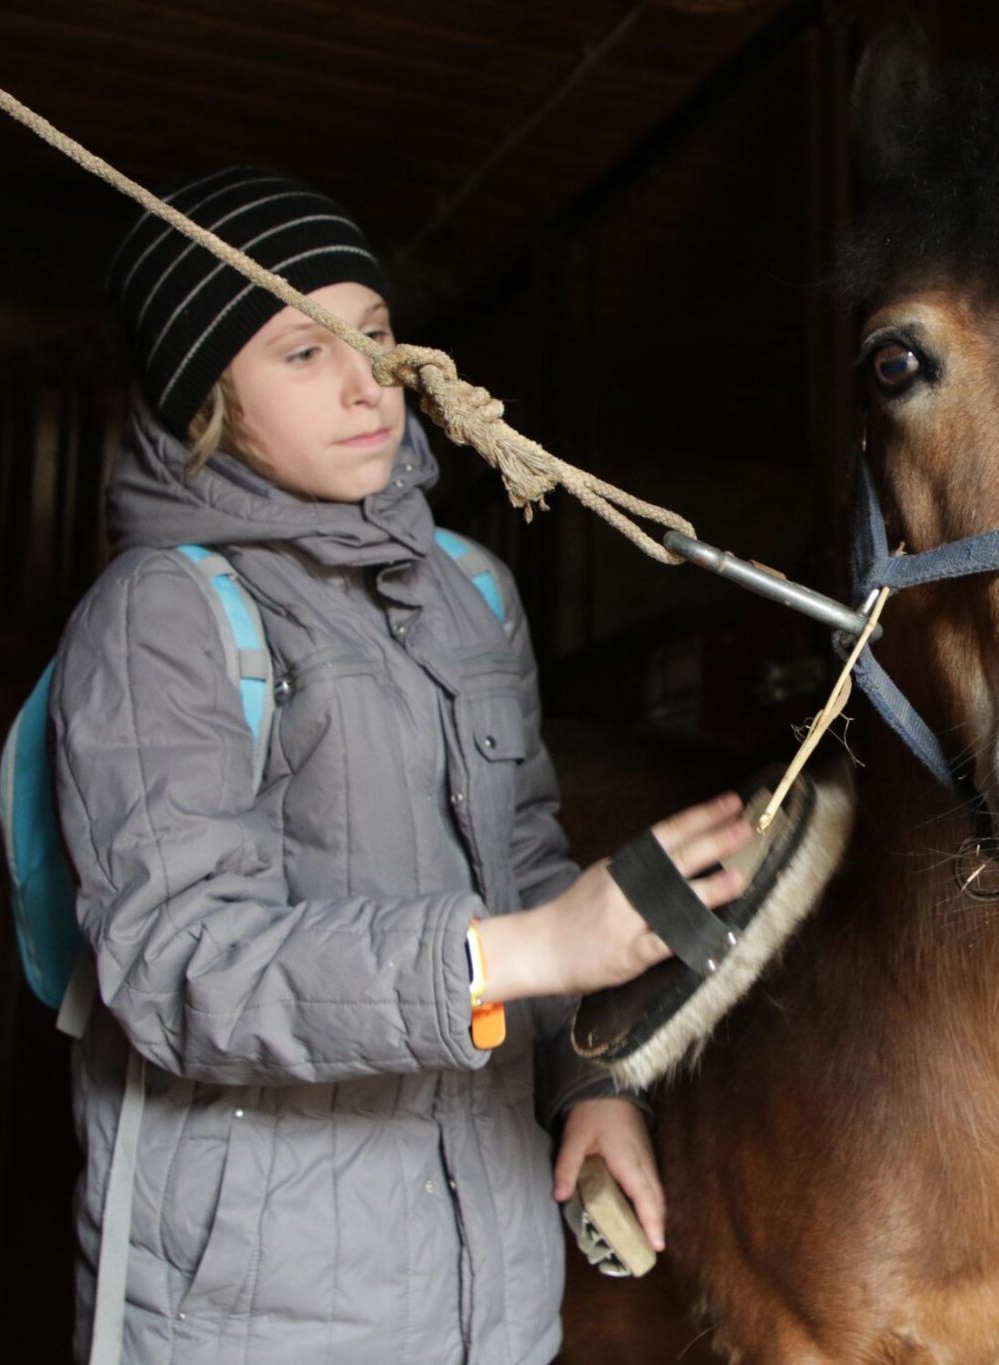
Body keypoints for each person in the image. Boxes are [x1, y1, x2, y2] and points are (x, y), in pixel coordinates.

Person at [52, 166, 749, 1363]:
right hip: (254, 1312)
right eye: (300, 352)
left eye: (371, 335)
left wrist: (589, 1087)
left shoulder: (472, 591)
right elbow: (180, 966)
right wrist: (521, 950)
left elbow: (528, 859)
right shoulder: (159, 618)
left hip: (493, 1286)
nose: (368, 384)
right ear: (202, 395)